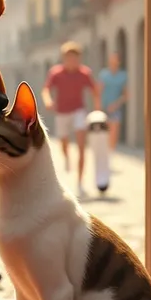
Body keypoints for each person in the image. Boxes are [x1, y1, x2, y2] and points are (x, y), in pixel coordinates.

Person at [41, 41, 100, 197]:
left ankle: (80, 183)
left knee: (81, 147)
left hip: (79, 111)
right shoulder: (56, 73)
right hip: (62, 112)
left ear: (79, 59)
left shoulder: (84, 73)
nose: (72, 61)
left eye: (75, 58)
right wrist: (48, 101)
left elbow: (94, 91)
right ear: (64, 58)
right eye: (69, 58)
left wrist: (97, 110)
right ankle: (66, 157)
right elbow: (46, 89)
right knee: (63, 144)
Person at [98, 52, 128, 150]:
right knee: (104, 132)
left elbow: (126, 95)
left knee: (114, 131)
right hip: (104, 107)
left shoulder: (123, 76)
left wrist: (116, 104)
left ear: (118, 62)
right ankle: (105, 152)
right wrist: (98, 107)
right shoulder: (104, 74)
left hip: (116, 108)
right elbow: (99, 91)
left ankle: (111, 152)